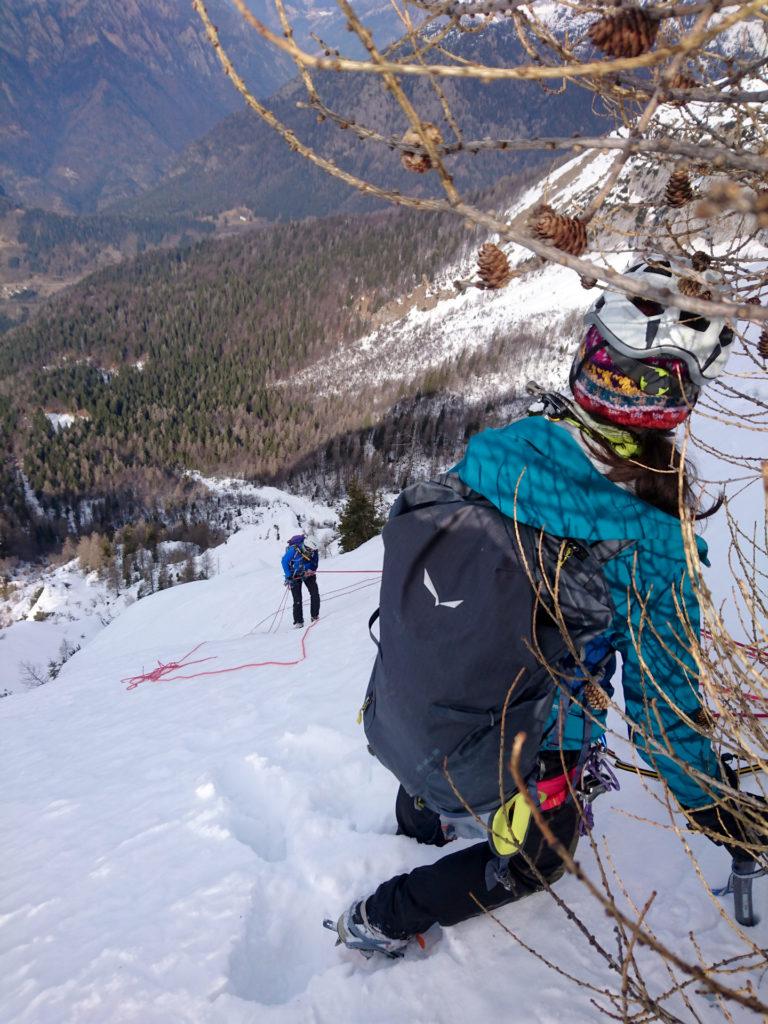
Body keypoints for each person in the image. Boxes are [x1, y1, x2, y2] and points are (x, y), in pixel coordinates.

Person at [330, 258, 766, 958]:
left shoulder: (505, 448)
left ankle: (421, 820)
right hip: (526, 740)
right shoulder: (649, 545)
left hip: (408, 708)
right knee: (541, 859)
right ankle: (386, 914)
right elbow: (666, 728)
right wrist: (735, 818)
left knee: (443, 766)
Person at [282, 534, 320, 628]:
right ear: (306, 545)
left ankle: (314, 616)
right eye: (310, 549)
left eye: (313, 550)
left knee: (315, 593)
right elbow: (284, 562)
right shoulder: (294, 550)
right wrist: (289, 576)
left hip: (308, 573)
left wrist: (311, 570)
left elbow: (315, 562)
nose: (312, 551)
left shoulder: (314, 550)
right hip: (294, 575)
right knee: (297, 599)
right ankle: (298, 622)